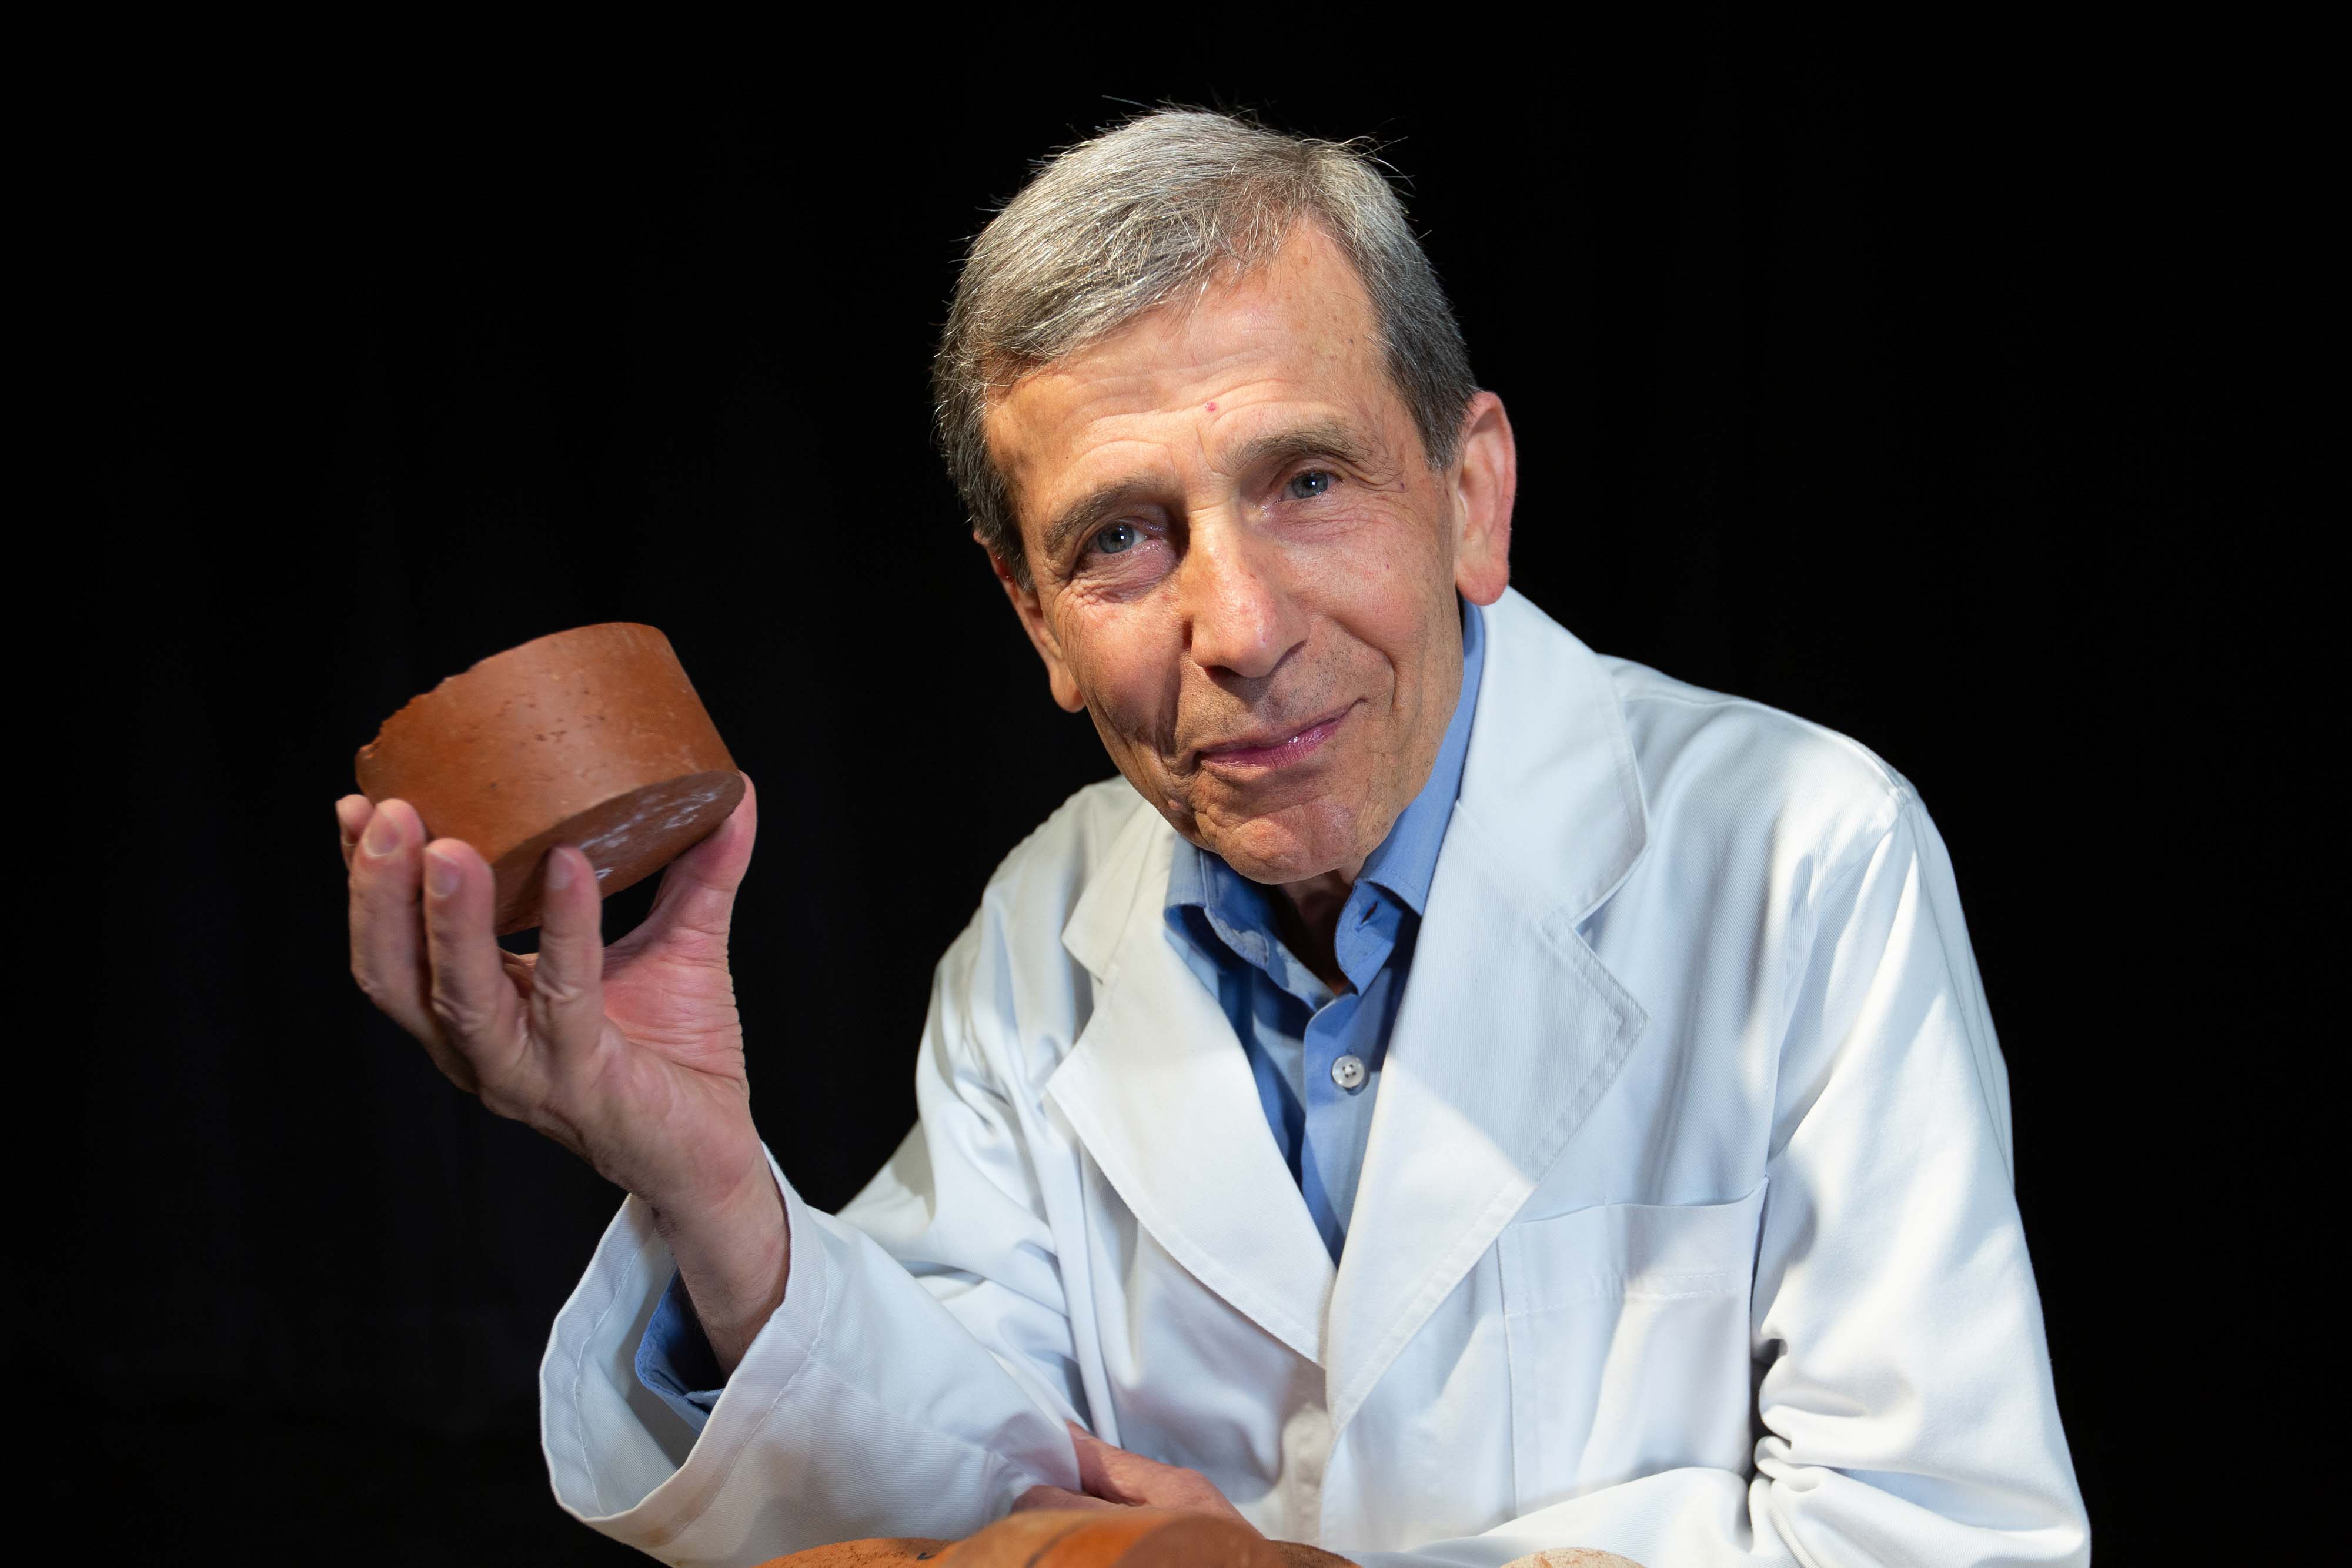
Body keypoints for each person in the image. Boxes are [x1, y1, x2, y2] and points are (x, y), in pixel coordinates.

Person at [339, 110, 2089, 1566]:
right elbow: (952, 1499)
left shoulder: (1804, 857)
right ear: (1029, 615)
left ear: (1470, 494)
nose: (1237, 626)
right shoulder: (1045, 928)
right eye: (1119, 539)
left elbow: (1948, 1534)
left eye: (1307, 482)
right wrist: (705, 1177)